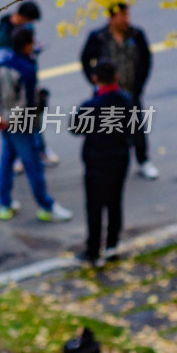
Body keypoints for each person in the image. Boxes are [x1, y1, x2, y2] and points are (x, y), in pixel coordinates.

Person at [0, 27, 72, 222]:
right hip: (22, 125)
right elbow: (26, 103)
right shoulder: (27, 70)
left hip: (4, 123)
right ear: (27, 44)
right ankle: (46, 206)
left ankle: (5, 204)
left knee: (7, 161)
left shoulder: (3, 65)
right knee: (33, 165)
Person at [81, 2, 158, 179]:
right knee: (106, 128)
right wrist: (94, 81)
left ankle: (143, 160)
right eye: (122, 16)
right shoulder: (99, 37)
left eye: (127, 15)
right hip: (107, 93)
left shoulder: (136, 35)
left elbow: (146, 60)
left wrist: (139, 85)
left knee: (136, 126)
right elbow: (85, 59)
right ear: (112, 17)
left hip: (131, 92)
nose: (126, 19)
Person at [69, 60, 132, 266]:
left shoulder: (91, 106)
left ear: (95, 79)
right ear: (116, 76)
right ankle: (112, 245)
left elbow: (76, 128)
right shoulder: (126, 100)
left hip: (96, 162)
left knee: (95, 206)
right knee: (115, 202)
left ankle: (94, 250)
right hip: (120, 158)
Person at [0, 0, 60, 170]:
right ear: (20, 16)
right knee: (12, 122)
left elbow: (32, 46)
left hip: (27, 80)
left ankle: (39, 149)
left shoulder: (26, 29)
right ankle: (19, 156)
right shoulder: (0, 35)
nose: (31, 25)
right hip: (10, 88)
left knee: (33, 117)